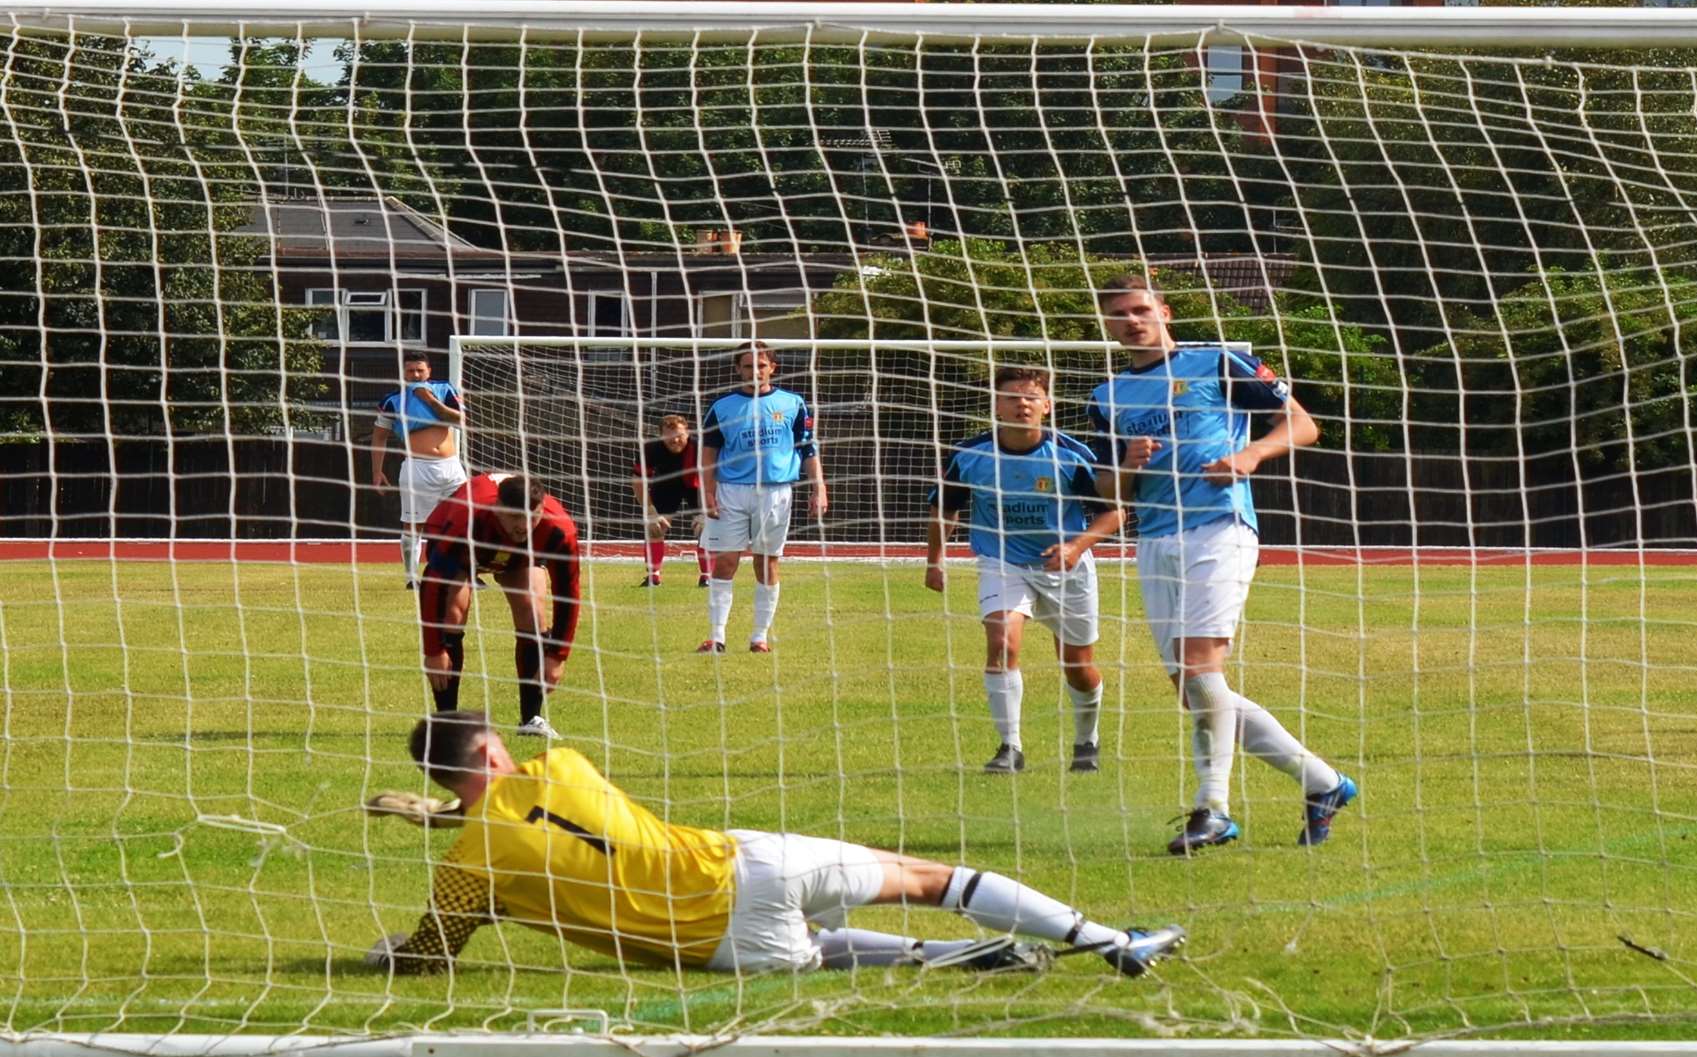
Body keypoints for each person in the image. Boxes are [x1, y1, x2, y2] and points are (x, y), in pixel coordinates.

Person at [364, 710, 1188, 978]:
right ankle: (1113, 942)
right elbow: (529, 809)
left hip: (717, 947)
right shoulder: (563, 765)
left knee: (821, 951)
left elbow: (434, 953)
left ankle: (957, 960)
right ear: (493, 752)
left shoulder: (468, 866)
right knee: (926, 875)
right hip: (740, 863)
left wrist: (388, 952)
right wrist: (446, 811)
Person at [1087, 275, 1356, 855]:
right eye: (1119, 314)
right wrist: (1130, 462)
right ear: (1106, 324)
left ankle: (1213, 810)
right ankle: (1324, 783)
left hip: (1220, 527)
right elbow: (1110, 489)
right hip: (1154, 539)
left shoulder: (1220, 361)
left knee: (1202, 668)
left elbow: (1304, 424)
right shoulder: (1107, 396)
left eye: (1141, 310)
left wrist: (1252, 452)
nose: (1132, 321)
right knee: (1196, 688)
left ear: (1164, 311)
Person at [926, 366, 1121, 775]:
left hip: (1066, 568)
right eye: (1012, 397)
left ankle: (1087, 740)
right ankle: (1010, 747)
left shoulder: (1072, 454)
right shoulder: (970, 455)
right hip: (1003, 561)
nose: (1022, 404)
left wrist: (1075, 546)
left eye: (1031, 397)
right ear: (996, 405)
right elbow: (945, 508)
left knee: (1078, 666)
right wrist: (934, 559)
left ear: (1047, 406)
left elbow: (1114, 513)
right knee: (1001, 641)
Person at [418, 473, 580, 739]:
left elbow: (568, 594)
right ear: (497, 509)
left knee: (532, 607)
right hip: (466, 554)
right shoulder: (465, 521)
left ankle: (531, 719)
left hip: (518, 558)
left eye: (532, 516)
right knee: (453, 611)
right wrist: (433, 649)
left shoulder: (559, 529)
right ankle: (447, 722)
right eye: (515, 517)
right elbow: (433, 584)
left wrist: (557, 655)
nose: (524, 526)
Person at [697, 341, 829, 654]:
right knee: (726, 561)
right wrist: (708, 494)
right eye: (747, 366)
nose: (754, 371)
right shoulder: (721, 407)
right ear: (737, 369)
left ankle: (759, 637)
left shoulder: (793, 403)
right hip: (732, 491)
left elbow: (808, 449)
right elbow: (708, 455)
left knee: (767, 563)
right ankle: (717, 637)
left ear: (772, 367)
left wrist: (818, 487)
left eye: (760, 365)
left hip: (776, 491)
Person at [371, 351, 468, 589]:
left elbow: (460, 419)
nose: (415, 374)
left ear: (429, 372)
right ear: (403, 373)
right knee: (413, 525)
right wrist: (377, 471)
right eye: (410, 370)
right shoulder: (392, 401)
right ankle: (411, 577)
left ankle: (464, 572)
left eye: (420, 370)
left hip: (452, 467)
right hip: (418, 468)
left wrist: (429, 400)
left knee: (464, 521)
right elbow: (379, 437)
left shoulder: (445, 389)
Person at [631, 415, 713, 588]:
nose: (675, 440)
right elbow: (638, 480)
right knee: (654, 528)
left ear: (688, 433)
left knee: (708, 528)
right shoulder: (650, 449)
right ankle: (653, 576)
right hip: (665, 485)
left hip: (697, 486)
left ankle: (707, 577)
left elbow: (715, 478)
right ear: (661, 435)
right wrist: (650, 511)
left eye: (680, 435)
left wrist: (707, 511)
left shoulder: (701, 448)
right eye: (669, 436)